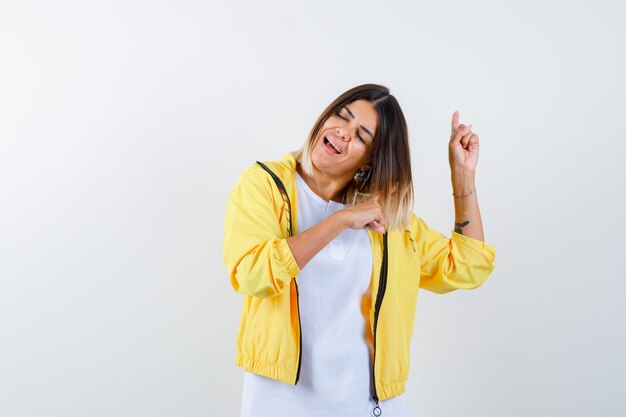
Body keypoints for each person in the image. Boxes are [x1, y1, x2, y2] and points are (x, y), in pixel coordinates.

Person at [222, 84, 497, 417]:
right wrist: (340, 220)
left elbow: (468, 266)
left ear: (369, 161)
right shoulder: (264, 186)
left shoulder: (386, 217)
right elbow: (252, 274)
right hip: (280, 403)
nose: (343, 132)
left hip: (371, 407)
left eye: (361, 135)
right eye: (342, 116)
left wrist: (463, 176)